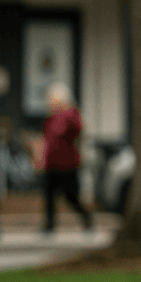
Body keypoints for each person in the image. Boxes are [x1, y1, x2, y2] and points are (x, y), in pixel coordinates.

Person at [39, 82, 93, 233]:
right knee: (49, 195)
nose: (50, 101)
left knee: (71, 196)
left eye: (53, 98)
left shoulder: (71, 115)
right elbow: (47, 140)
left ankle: (86, 217)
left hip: (68, 163)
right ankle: (49, 224)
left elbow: (80, 132)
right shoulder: (50, 119)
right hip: (52, 163)